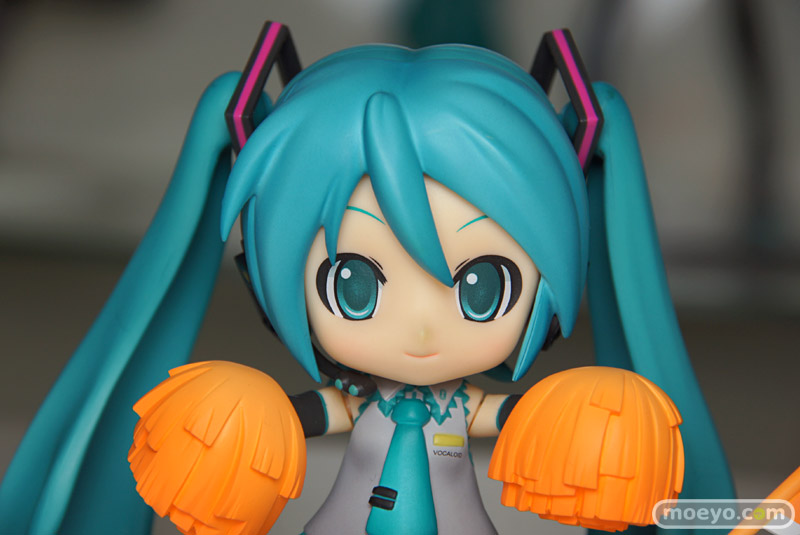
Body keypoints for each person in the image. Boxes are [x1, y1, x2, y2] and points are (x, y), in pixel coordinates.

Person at [0, 23, 734, 535]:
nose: (421, 326)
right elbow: (301, 419)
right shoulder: (357, 403)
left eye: (480, 288)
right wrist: (238, 419)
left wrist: (591, 421)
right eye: (354, 284)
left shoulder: (463, 408)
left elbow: (521, 423)